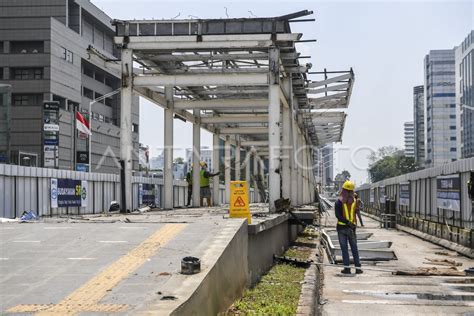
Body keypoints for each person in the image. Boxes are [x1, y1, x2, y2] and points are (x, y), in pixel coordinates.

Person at [335, 180, 363, 274]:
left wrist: (346, 222)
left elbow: (338, 216)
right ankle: (358, 268)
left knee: (345, 250)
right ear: (352, 191)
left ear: (343, 190)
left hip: (342, 228)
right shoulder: (355, 201)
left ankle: (347, 268)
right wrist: (351, 223)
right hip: (352, 228)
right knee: (354, 248)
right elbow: (356, 212)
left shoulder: (339, 202)